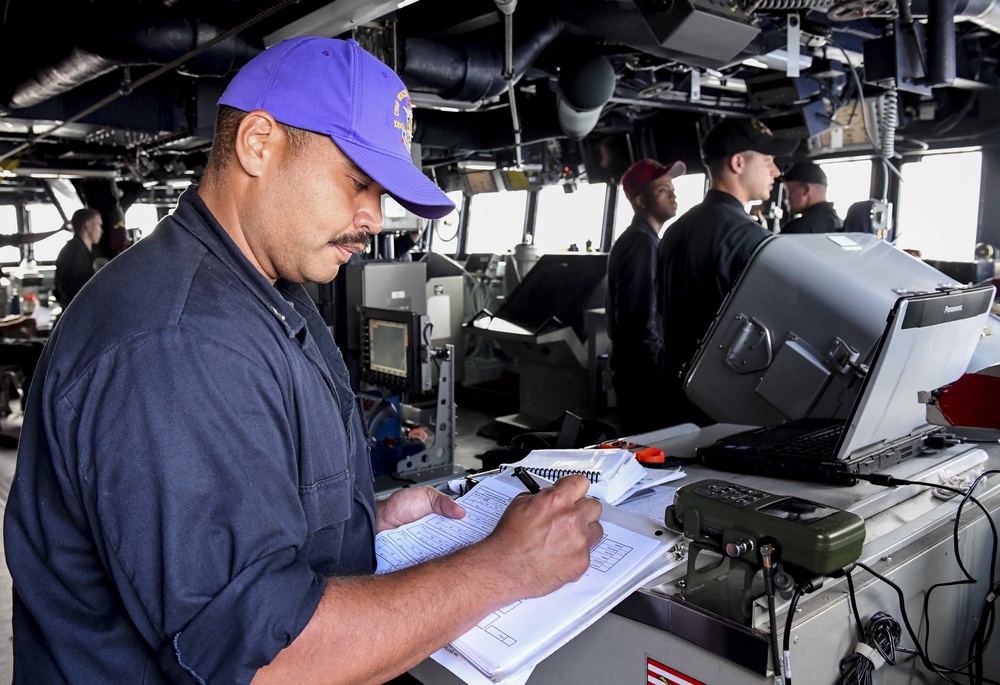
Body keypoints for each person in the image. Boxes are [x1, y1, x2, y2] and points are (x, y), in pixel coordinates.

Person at [4, 36, 603, 684]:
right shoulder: (177, 340)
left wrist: (361, 527)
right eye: (357, 181)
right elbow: (267, 658)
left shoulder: (265, 294)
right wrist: (501, 569)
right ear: (258, 143)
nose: (373, 217)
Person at [657, 118, 796, 426]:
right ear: (738, 163)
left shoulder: (676, 230)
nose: (776, 171)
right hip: (724, 404)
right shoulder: (750, 239)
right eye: (768, 161)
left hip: (674, 392)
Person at [606, 158, 685, 436]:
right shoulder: (640, 243)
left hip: (638, 372)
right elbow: (639, 318)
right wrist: (659, 374)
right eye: (662, 188)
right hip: (641, 377)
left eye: (672, 187)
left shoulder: (646, 240)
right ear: (640, 201)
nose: (673, 194)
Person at [54, 207, 103, 308]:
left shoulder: (79, 250)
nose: (101, 231)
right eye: (98, 224)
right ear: (87, 225)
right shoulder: (74, 251)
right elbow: (77, 290)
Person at [779, 161, 843, 234]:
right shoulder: (840, 224)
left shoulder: (797, 229)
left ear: (806, 190)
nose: (783, 197)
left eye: (787, 190)